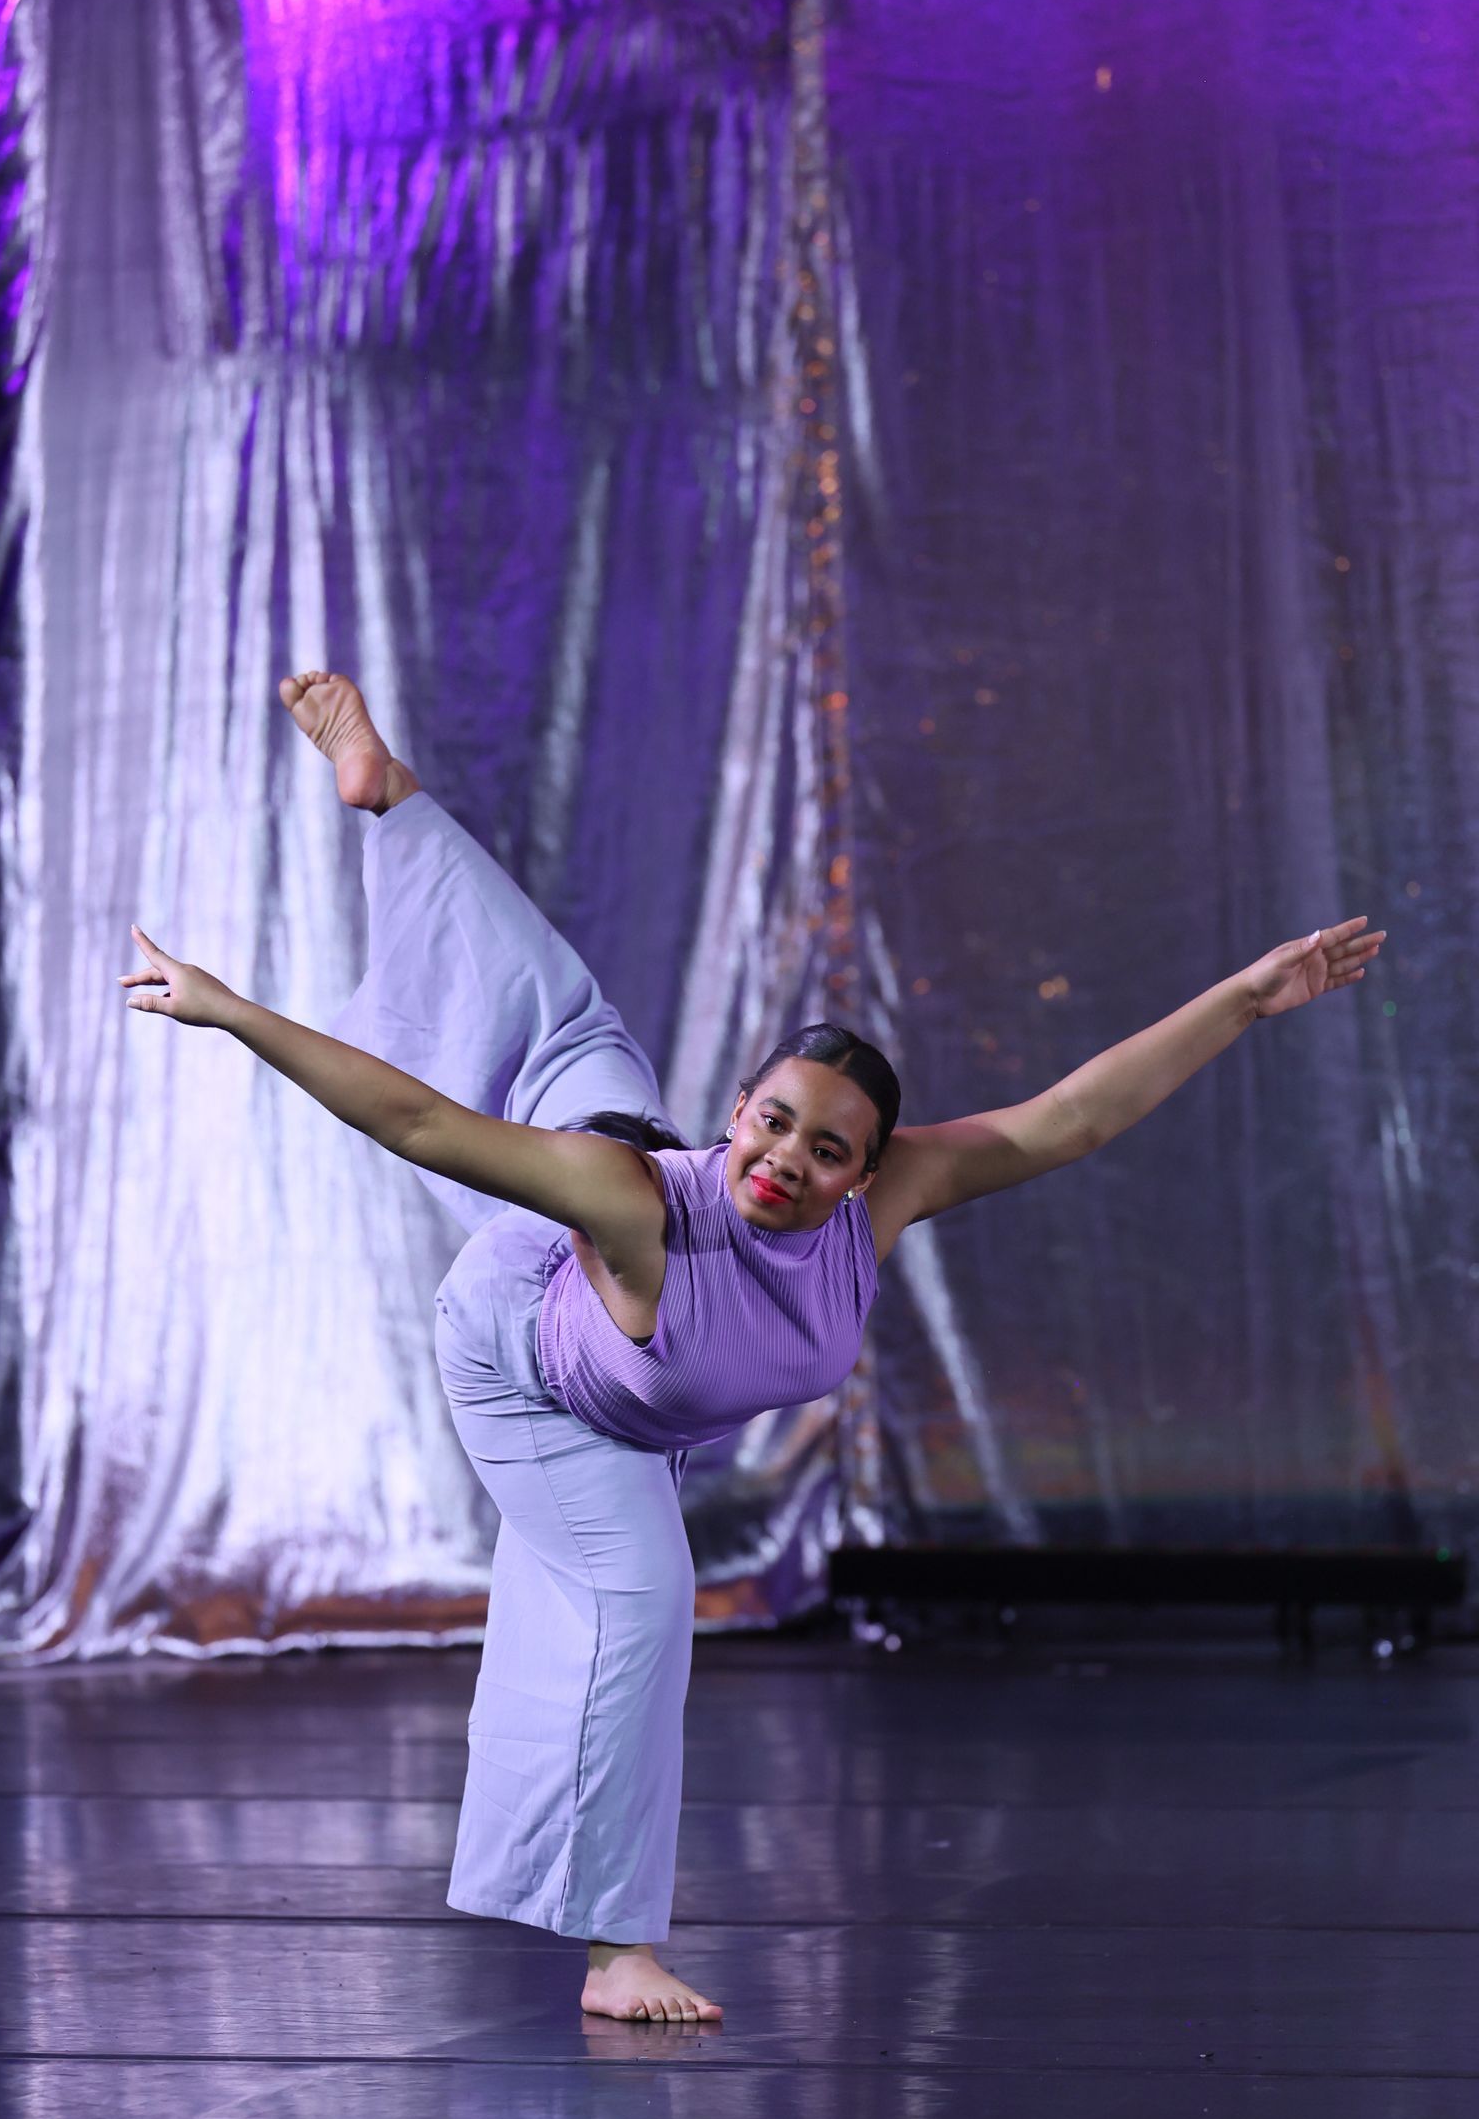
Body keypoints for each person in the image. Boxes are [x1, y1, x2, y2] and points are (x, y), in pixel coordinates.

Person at [122, 673, 1384, 2024]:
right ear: (738, 1113)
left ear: (867, 1175)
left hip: (612, 1196)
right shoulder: (650, 1196)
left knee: (554, 1009)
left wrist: (1246, 1000)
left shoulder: (872, 1205)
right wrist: (233, 1011)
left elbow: (1069, 1118)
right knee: (643, 1593)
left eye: (824, 1148)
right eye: (771, 1123)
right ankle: (616, 1956)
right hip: (526, 1354)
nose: (785, 1159)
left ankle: (388, 803)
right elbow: (427, 1128)